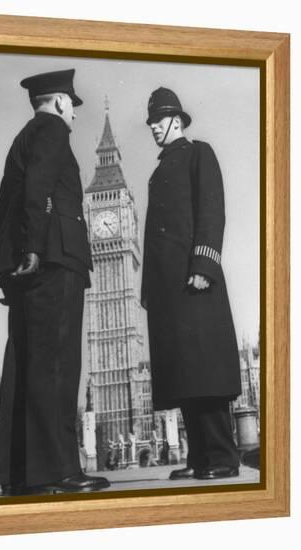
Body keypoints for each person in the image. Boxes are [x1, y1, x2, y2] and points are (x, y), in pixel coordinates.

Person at [0, 69, 110, 495]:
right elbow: (38, 188)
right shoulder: (53, 129)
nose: (73, 112)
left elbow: (4, 211)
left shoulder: (23, 138)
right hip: (55, 261)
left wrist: (12, 264)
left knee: (25, 368)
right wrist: (37, 248)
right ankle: (58, 471)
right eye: (71, 104)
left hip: (30, 267)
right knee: (56, 367)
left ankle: (20, 475)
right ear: (58, 102)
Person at [141, 87, 242, 481]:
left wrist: (203, 263)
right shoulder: (157, 170)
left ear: (177, 122)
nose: (153, 128)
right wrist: (150, 289)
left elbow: (211, 208)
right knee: (185, 375)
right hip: (168, 290)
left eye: (159, 121)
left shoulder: (199, 153)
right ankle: (199, 457)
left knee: (206, 372)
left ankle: (222, 457)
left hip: (195, 280)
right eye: (150, 122)